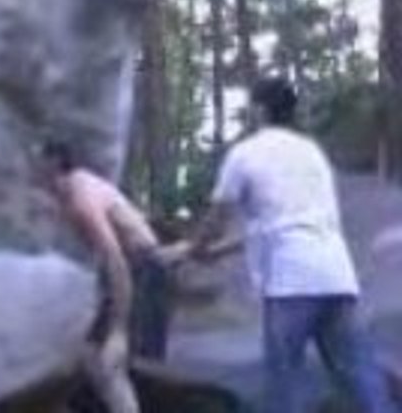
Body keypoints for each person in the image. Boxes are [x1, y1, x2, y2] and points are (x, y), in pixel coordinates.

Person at [189, 76, 397, 413]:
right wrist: (215, 251)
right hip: (336, 276)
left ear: (259, 109)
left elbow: (216, 219)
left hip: (290, 282)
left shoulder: (245, 153)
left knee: (283, 386)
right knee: (359, 376)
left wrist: (196, 249)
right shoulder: (312, 153)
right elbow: (279, 225)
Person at [38, 139, 188, 413]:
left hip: (137, 270)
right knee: (92, 357)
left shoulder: (80, 198)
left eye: (40, 164)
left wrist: (118, 330)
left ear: (54, 165)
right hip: (139, 266)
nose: (35, 173)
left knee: (107, 363)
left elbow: (116, 259)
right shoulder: (79, 187)